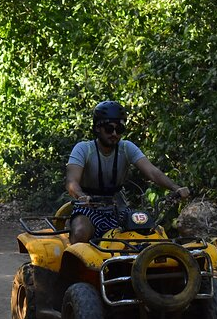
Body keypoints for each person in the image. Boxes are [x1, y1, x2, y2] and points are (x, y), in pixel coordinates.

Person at [65, 100, 190, 244]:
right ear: (98, 128)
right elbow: (71, 181)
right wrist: (81, 196)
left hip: (118, 207)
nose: (114, 134)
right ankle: (73, 263)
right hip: (88, 207)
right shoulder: (83, 149)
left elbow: (152, 172)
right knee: (81, 231)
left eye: (119, 129)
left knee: (146, 231)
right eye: (109, 128)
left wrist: (176, 188)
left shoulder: (126, 147)